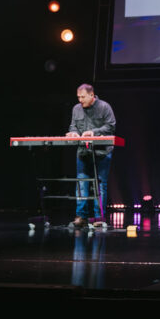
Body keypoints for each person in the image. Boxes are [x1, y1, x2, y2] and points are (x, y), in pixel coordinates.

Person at [65, 84, 116, 228]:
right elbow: (73, 126)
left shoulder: (105, 107)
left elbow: (110, 126)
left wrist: (94, 132)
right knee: (82, 183)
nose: (80, 100)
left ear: (92, 95)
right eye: (78, 97)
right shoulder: (76, 109)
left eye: (83, 97)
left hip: (102, 152)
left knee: (100, 184)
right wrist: (73, 132)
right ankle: (81, 216)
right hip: (83, 151)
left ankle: (99, 217)